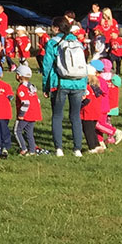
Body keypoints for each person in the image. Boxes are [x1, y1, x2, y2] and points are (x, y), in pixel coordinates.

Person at [41, 16, 87, 156]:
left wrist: (46, 86)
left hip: (60, 83)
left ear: (56, 28)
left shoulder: (52, 43)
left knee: (57, 116)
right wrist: (84, 85)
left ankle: (59, 148)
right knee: (75, 116)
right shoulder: (77, 42)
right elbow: (83, 65)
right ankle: (77, 148)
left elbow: (47, 67)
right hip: (78, 82)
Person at [13, 64, 44, 155]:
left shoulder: (21, 88)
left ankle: (23, 148)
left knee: (17, 131)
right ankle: (32, 150)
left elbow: (26, 102)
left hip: (26, 114)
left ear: (18, 76)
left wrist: (21, 115)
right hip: (35, 113)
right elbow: (37, 100)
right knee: (29, 132)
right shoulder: (32, 87)